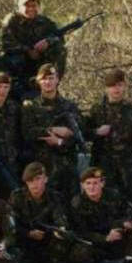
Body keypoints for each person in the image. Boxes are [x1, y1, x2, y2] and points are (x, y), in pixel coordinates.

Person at [67, 167, 132, 263]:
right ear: (82, 185)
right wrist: (105, 238)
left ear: (102, 183)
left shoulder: (114, 196)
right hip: (94, 244)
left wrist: (122, 225)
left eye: (95, 183)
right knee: (79, 250)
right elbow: (80, 232)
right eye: (88, 183)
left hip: (116, 239)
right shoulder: (77, 203)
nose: (92, 187)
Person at [85, 69, 132, 209]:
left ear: (124, 86)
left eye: (119, 85)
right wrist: (97, 132)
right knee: (104, 206)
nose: (116, 89)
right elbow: (84, 134)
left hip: (127, 165)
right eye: (112, 86)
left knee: (130, 204)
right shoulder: (97, 110)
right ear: (106, 88)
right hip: (103, 164)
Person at [21, 63, 84, 198]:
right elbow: (27, 132)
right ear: (38, 81)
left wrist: (60, 141)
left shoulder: (70, 106)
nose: (48, 82)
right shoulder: (31, 107)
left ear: (57, 80)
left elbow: (78, 134)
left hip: (68, 167)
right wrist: (52, 130)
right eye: (44, 79)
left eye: (51, 78)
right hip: (43, 169)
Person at [8, 162, 72, 263]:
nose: (34, 184)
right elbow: (11, 224)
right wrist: (28, 233)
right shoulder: (17, 196)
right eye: (30, 180)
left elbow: (60, 219)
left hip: (47, 239)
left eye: (38, 179)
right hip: (25, 239)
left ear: (46, 179)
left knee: (61, 239)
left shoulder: (55, 197)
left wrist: (60, 230)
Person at [0, 0, 67, 94]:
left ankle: (51, 84)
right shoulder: (11, 20)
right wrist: (28, 50)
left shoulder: (44, 21)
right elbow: (6, 44)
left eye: (34, 6)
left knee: (59, 49)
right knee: (14, 60)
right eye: (27, 6)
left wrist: (48, 41)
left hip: (38, 57)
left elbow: (59, 37)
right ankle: (17, 89)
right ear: (19, 7)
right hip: (17, 57)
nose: (30, 9)